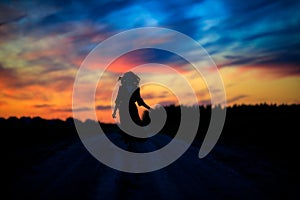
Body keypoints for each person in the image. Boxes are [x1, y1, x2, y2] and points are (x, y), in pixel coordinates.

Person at [112, 71, 151, 139]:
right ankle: (127, 140)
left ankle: (138, 138)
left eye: (130, 78)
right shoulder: (122, 88)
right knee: (125, 123)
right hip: (123, 108)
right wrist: (114, 112)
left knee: (136, 122)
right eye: (127, 77)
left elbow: (139, 100)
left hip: (132, 107)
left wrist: (149, 108)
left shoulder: (136, 88)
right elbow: (118, 100)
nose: (129, 79)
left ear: (133, 79)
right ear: (125, 79)